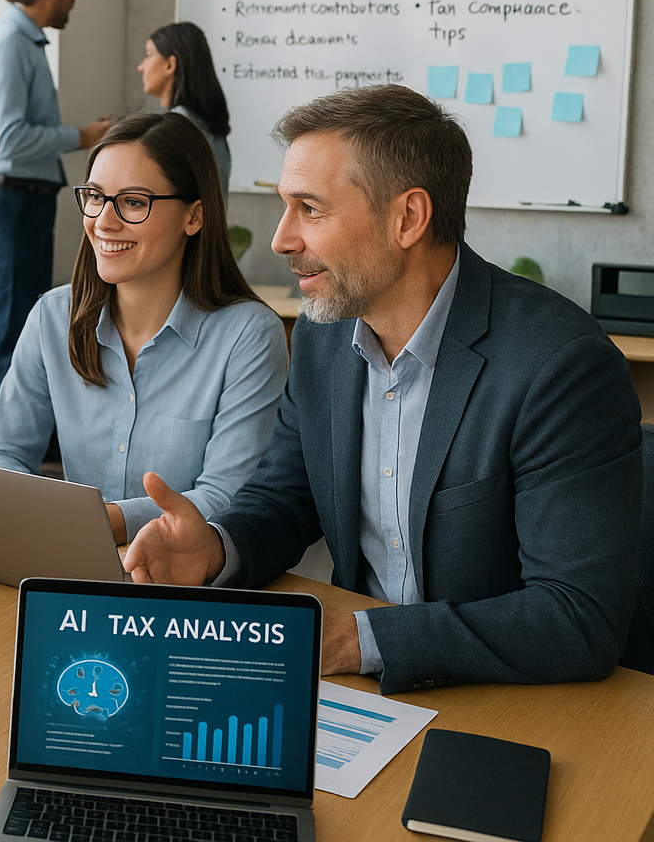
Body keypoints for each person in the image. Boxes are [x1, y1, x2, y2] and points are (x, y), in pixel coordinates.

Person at [122, 84, 643, 693]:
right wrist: (214, 549)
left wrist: (356, 639)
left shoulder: (559, 367)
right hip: (364, 693)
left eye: (310, 209)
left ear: (408, 218)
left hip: (503, 700)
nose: (281, 239)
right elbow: (284, 500)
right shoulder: (324, 335)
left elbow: (577, 617)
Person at [0, 112, 286, 544]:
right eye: (96, 196)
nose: (104, 221)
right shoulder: (52, 316)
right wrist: (26, 508)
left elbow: (226, 496)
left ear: (194, 216)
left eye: (134, 202)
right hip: (68, 561)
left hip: (185, 582)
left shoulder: (248, 336)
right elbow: (1, 451)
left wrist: (94, 522)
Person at [0, 0, 114, 433]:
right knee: (14, 337)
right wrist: (83, 136)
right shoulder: (11, 43)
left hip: (20, 202)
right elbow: (9, 139)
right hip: (11, 203)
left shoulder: (22, 41)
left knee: (8, 333)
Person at [137, 21, 232, 194]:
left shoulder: (178, 125)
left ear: (170, 65)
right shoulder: (208, 127)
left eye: (148, 55)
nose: (140, 67)